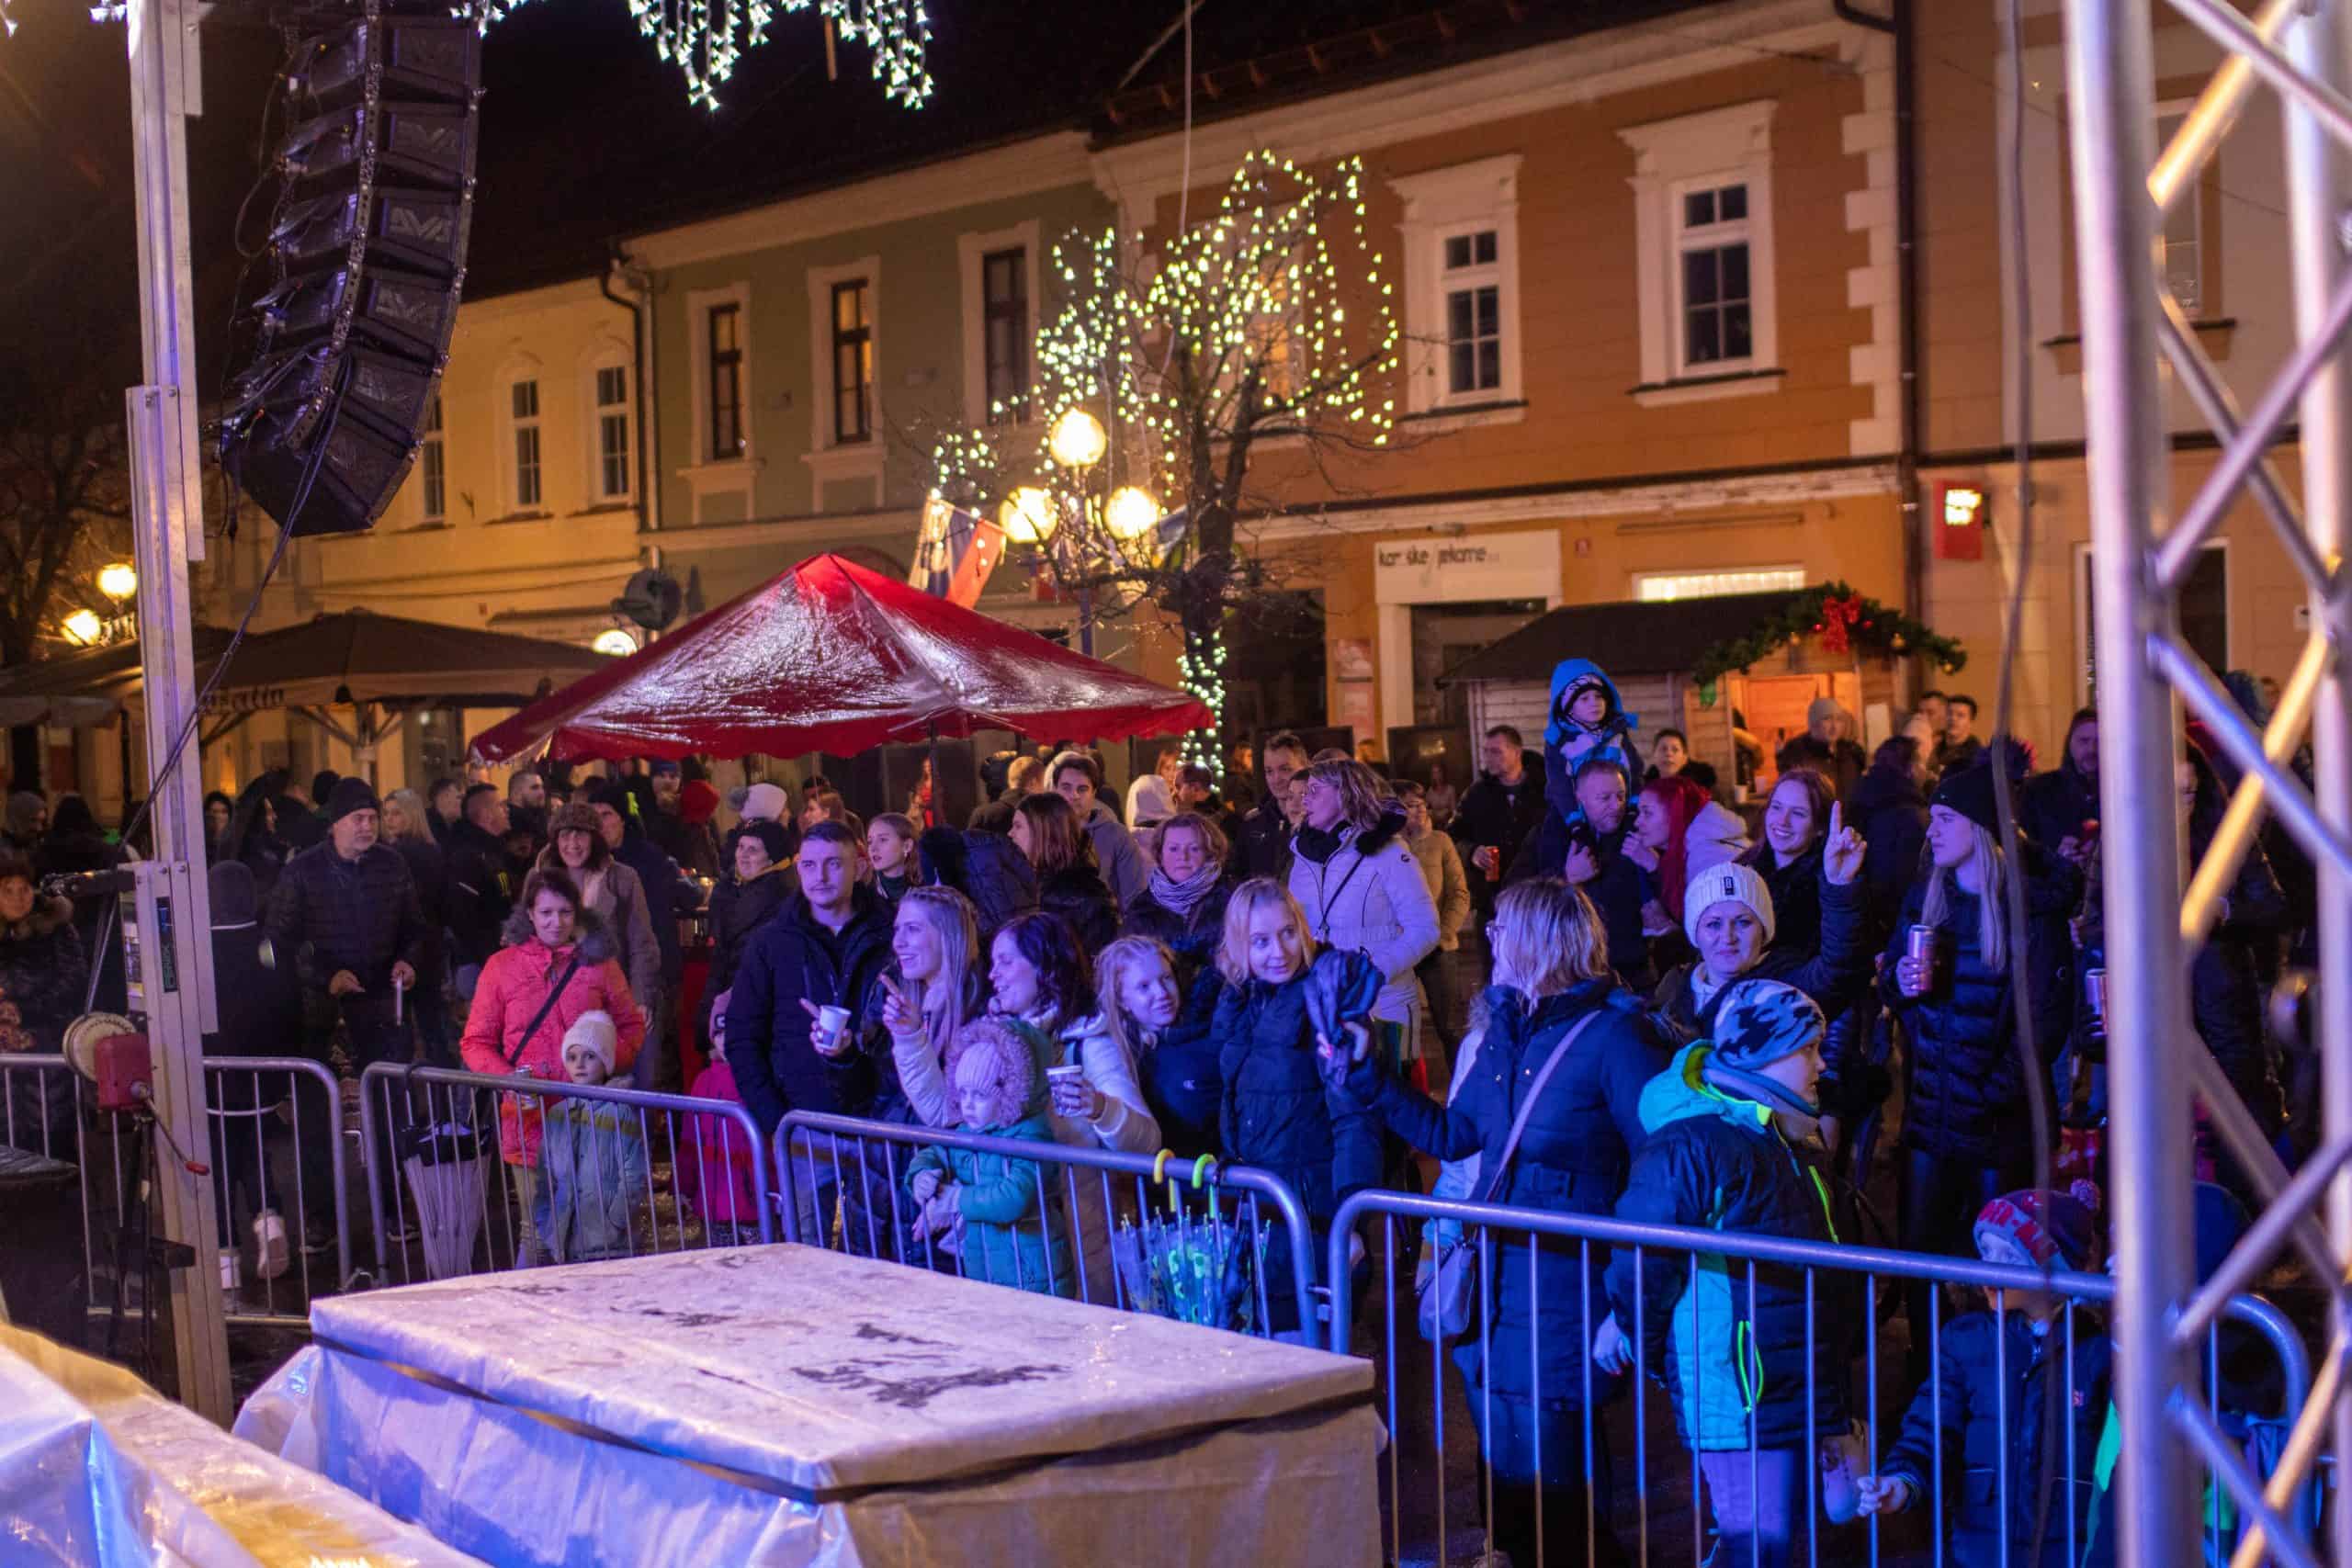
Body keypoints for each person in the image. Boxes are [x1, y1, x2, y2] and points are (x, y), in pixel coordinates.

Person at [1333, 877, 1669, 1568]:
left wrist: (1629, 1301)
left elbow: (1660, 1173)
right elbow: (1454, 1134)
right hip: (1494, 1287)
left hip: (1567, 1291)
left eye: (1502, 927)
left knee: (1563, 1494)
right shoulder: (1505, 1031)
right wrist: (1368, 1073)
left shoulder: (1618, 1038)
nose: (1489, 938)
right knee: (1508, 1483)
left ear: (1543, 941)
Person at [1596, 980, 1860, 1568]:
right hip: (1740, 1385)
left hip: (1784, 1376)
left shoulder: (1784, 1133)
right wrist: (1655, 1347)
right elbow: (1643, 1263)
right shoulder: (1695, 1144)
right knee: (1756, 1544)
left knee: (1768, 1542)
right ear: (1764, 1054)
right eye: (1808, 1049)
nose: (1821, 1064)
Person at [1883, 764, 2075, 1379]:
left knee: (2002, 1267)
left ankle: (2004, 1384)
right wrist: (1899, 983)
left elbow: (2045, 1024)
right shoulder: (1927, 894)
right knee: (1920, 1262)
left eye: (1945, 819)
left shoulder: (2030, 912)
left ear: (1982, 827)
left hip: (1997, 1127)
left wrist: (1988, 1092)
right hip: (1929, 1120)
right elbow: (1892, 982)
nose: (1931, 831)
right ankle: (1929, 1380)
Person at [1856, 1189, 2110, 1567]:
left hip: (2069, 1547)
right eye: (1986, 1252)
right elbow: (1932, 1429)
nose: (1989, 1269)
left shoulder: (2100, 1352)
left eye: (2009, 1256)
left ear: (2054, 1267)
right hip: (1981, 1547)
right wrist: (1901, 1482)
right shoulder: (1965, 1341)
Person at [1214, 877, 1383, 1340]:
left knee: (1312, 1350)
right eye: (1261, 941)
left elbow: (1354, 1118)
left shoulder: (1327, 1001)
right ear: (1239, 944)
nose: (1279, 952)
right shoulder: (1237, 1000)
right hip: (1259, 1213)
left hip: (1314, 1210)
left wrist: (1349, 1218)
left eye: (1288, 933)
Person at [266, 778, 429, 1250]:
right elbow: (275, 945)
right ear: (335, 824)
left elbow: (416, 928)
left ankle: (393, 1208)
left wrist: (409, 961)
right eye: (358, 818)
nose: (367, 826)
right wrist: (324, 977)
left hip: (381, 1007)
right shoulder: (302, 873)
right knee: (317, 1123)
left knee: (389, 1112)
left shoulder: (392, 866)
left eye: (373, 818)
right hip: (320, 1015)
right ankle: (321, 1219)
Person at [458, 869, 645, 1264]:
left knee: (593, 1228)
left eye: (564, 912)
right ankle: (533, 1303)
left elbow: (630, 1026)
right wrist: (510, 1081)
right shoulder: (501, 967)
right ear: (529, 913)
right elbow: (475, 1041)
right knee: (538, 1231)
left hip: (590, 1119)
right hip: (530, 1119)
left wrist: (606, 1061)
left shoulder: (600, 965)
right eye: (545, 912)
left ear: (576, 912)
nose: (555, 923)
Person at [724, 820, 893, 1143]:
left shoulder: (892, 936)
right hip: (801, 1124)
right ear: (799, 869)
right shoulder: (770, 943)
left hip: (881, 1124)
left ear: (859, 869)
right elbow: (742, 1035)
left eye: (834, 864)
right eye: (810, 865)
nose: (821, 876)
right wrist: (775, 1119)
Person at [1653, 813, 1871, 1044]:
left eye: (1743, 922)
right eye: (1713, 924)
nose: (1727, 937)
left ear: (1764, 929)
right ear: (1695, 933)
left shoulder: (1784, 986)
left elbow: (1838, 969)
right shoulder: (1674, 987)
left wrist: (1839, 887)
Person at [904, 1019, 1076, 1296]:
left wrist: (955, 1199)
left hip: (1034, 1271)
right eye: (963, 1093)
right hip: (984, 1268)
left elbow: (1016, 1195)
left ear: (1008, 1094)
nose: (968, 1105)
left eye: (980, 1095)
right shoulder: (968, 1132)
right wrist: (923, 1175)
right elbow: (936, 1154)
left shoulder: (1032, 1135)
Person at [1289, 758, 1442, 1067]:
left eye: (1315, 790)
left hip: (1383, 1004)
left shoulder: (1388, 852)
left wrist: (1373, 972)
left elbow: (1426, 928)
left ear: (1346, 794)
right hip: (1324, 1003)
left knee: (1390, 1091)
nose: (1305, 799)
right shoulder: (1302, 857)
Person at [201, 860, 302, 1292]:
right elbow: (288, 1003)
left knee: (217, 1161)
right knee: (253, 1148)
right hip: (262, 1074)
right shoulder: (266, 946)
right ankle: (269, 1218)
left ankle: (225, 1252)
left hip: (211, 1078)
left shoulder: (199, 951)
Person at [536, 801, 663, 1047]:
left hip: (611, 997)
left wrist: (640, 998)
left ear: (594, 838)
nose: (572, 844)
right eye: (565, 835)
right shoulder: (539, 878)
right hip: (555, 1000)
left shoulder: (622, 878)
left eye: (581, 835)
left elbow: (642, 943)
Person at [537, 1010, 650, 1263]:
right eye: (572, 1057)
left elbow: (633, 1176)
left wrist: (616, 1221)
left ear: (606, 1061)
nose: (579, 1064)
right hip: (568, 1243)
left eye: (589, 1056)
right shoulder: (557, 1115)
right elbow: (546, 1178)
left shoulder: (619, 1112)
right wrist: (548, 1224)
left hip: (612, 1244)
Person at [1096, 934, 1220, 1156]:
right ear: (1122, 1000)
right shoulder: (1113, 1056)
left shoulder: (1209, 1032)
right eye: (1144, 987)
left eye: (1166, 978)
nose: (1162, 993)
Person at [0, 852, 89, 1158]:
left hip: (48, 1057)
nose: (17, 897)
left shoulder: (56, 930)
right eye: (8, 890)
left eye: (23, 889)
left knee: (55, 1144)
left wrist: (24, 1009)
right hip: (5, 1068)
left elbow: (74, 981)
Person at [698, 818, 796, 1051]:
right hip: (724, 995)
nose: (743, 855)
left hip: (753, 1001)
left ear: (772, 858)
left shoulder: (779, 897)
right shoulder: (731, 890)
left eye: (753, 850)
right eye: (741, 847)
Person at [1395, 780, 1469, 1068]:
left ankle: (1461, 1084)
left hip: (1439, 948)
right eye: (1410, 805)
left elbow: (1459, 894)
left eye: (1421, 803)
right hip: (1401, 951)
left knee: (1450, 1028)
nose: (1419, 810)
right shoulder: (1388, 847)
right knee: (1403, 1031)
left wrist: (1440, 935)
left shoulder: (1440, 841)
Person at [379, 787, 454, 1067]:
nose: (389, 820)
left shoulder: (398, 856)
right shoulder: (434, 851)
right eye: (386, 814)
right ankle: (442, 1081)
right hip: (431, 944)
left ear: (411, 815)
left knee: (406, 1024)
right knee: (432, 1022)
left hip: (408, 946)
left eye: (396, 813)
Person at [1121, 809, 1233, 993]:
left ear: (1210, 852)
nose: (1183, 857)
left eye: (1194, 848)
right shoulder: (1141, 909)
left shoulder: (1233, 902)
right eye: (1173, 849)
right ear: (1160, 854)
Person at [1451, 725, 1545, 919]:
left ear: (1517, 752)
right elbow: (1453, 835)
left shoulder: (1544, 790)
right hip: (1491, 901)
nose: (1488, 758)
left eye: (1496, 752)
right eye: (1486, 751)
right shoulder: (1476, 794)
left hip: (1538, 897)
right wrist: (1471, 852)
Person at [1012, 791, 1119, 951]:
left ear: (1043, 832)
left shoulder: (1085, 897)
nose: (1010, 833)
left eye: (1018, 826)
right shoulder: (1026, 884)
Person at [444, 783, 519, 998]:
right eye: (501, 805)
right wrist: (491, 958)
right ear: (487, 815)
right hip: (480, 966)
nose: (507, 810)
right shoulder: (467, 857)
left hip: (499, 958)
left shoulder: (494, 850)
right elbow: (464, 918)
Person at [1047, 750, 1148, 906]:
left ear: (1094, 792)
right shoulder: (1043, 833)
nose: (1074, 795)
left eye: (1082, 789)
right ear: (1055, 789)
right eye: (1066, 787)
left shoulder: (1117, 836)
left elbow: (1133, 897)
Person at [1855, 735, 1931, 931]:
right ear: (1910, 768)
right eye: (1922, 763)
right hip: (1895, 923)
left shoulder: (1863, 796)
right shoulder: (1911, 814)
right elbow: (1907, 878)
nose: (1927, 771)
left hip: (1863, 915)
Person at [2023, 707, 2100, 872]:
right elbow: (2024, 850)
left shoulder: (2125, 795)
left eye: (2100, 741)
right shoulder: (2038, 790)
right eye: (2084, 741)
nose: (2092, 749)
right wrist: (2055, 856)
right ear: (2069, 743)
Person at [1227, 730, 1310, 881]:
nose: (1276, 779)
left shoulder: (1320, 822)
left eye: (1285, 769)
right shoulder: (1253, 823)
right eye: (1269, 771)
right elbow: (1237, 876)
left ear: (1305, 768)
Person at [1776, 698, 1869, 804]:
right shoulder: (1797, 752)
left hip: (1850, 813)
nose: (1834, 726)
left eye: (1839, 719)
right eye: (1827, 719)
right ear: (1813, 723)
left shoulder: (1852, 752)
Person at [968, 754, 1044, 835]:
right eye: (1044, 781)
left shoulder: (982, 814)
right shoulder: (1042, 816)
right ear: (1033, 783)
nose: (1046, 787)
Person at [866, 812, 923, 911]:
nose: (873, 848)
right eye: (870, 842)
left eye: (883, 840)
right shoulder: (865, 888)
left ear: (907, 846)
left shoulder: (927, 887)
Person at [1126, 745, 1182, 830]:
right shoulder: (1152, 795)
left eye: (1176, 769)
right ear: (1160, 770)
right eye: (1167, 768)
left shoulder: (1182, 797)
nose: (1172, 774)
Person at [1935, 694, 1984, 776]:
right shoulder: (1936, 746)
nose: (1953, 718)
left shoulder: (1974, 756)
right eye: (1949, 713)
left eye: (1960, 715)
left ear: (1971, 722)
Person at [505, 768, 549, 850]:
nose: (542, 792)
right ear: (516, 793)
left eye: (542, 787)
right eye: (534, 788)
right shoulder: (512, 821)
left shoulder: (536, 815)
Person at [4, 790, 47, 855]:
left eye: (42, 822)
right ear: (15, 819)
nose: (39, 828)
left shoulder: (39, 847)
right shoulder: (4, 851)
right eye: (33, 820)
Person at [425, 776, 463, 847]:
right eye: (459, 797)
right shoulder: (425, 825)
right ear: (443, 798)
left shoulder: (458, 825)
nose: (463, 802)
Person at [204, 790, 235, 858]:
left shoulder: (235, 843)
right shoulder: (202, 843)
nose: (219, 816)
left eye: (224, 812)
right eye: (214, 812)